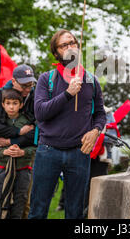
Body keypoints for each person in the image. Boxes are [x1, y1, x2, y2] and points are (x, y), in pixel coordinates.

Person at [29, 29, 106, 219]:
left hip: (79, 153)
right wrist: (67, 94)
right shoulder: (46, 79)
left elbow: (100, 114)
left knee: (75, 211)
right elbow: (40, 113)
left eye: (73, 43)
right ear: (56, 52)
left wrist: (96, 130)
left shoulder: (91, 80)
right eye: (64, 45)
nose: (71, 47)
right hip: (48, 151)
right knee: (38, 209)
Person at [0, 64, 37, 219]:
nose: (28, 89)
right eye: (24, 85)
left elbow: (36, 130)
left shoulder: (34, 96)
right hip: (0, 155)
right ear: (14, 81)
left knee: (23, 201)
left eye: (30, 84)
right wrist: (17, 132)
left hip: (25, 156)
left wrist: (12, 141)